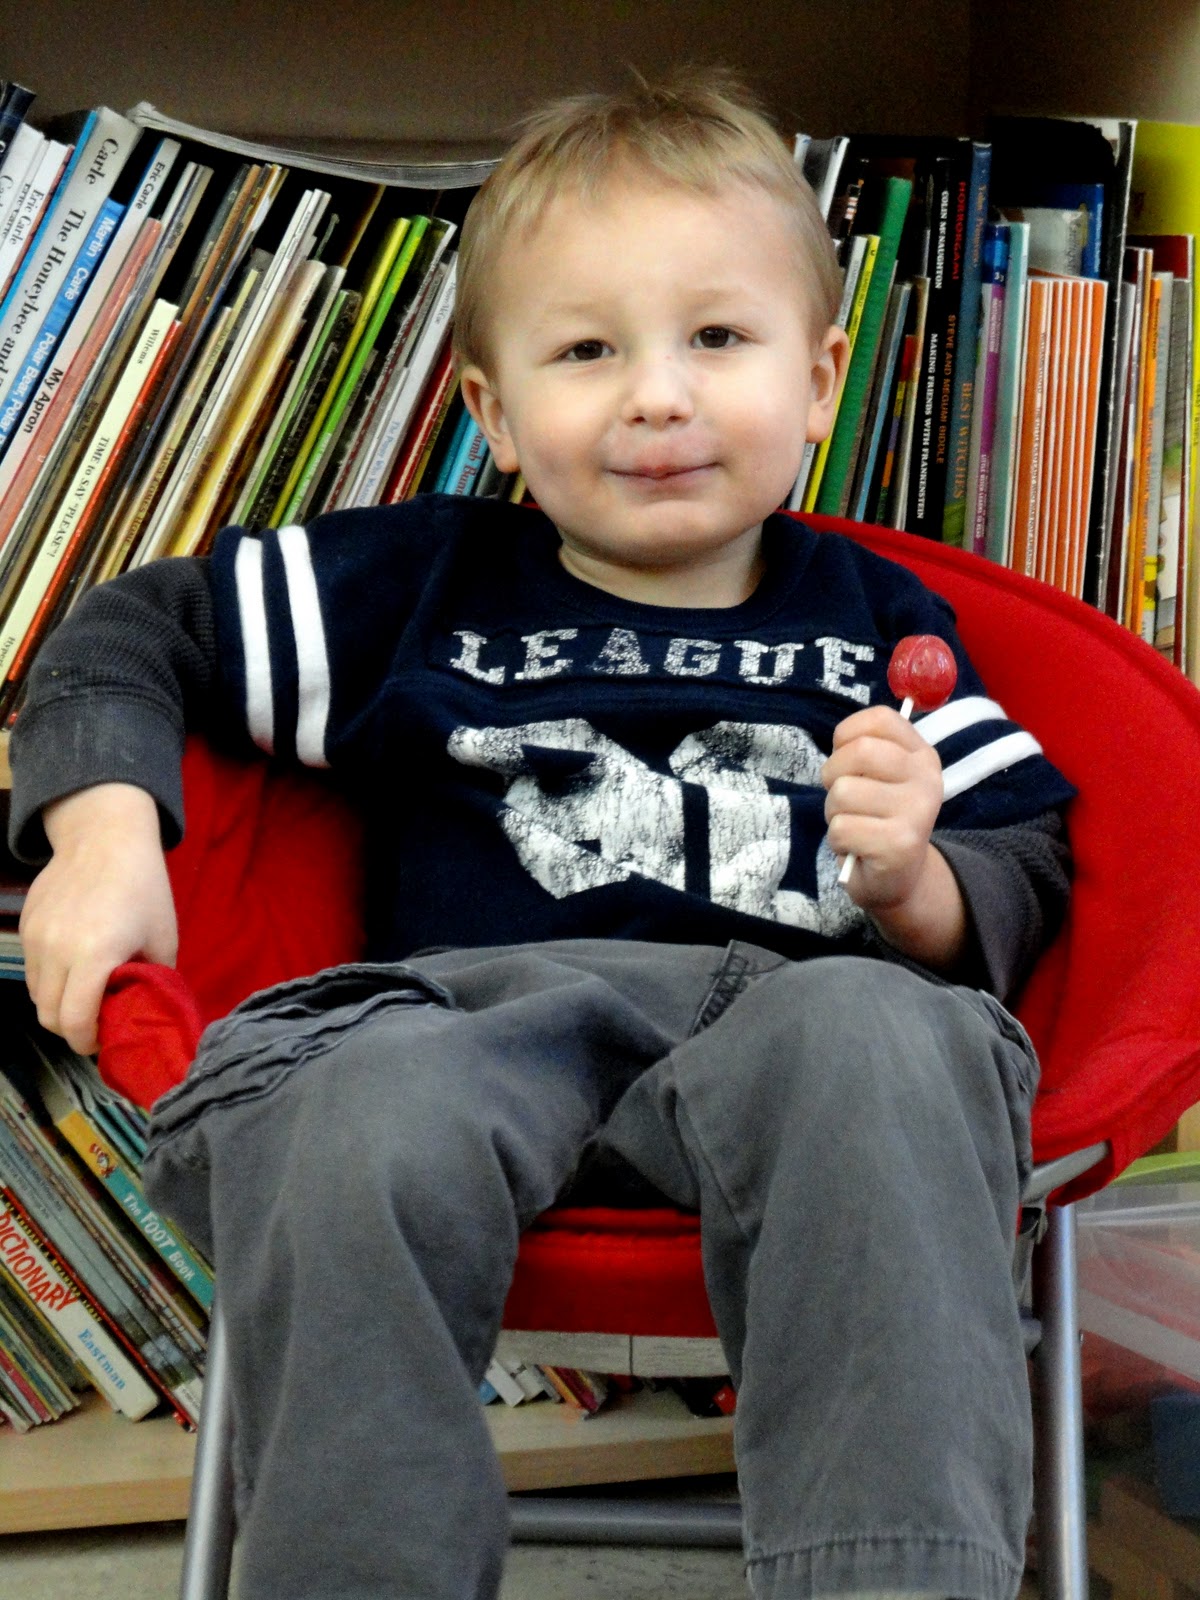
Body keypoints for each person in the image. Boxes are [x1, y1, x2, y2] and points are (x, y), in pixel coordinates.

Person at [10, 69, 1074, 1600]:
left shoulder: (874, 623)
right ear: (494, 413)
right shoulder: (421, 589)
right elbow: (131, 633)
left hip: (796, 1019)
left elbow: (1026, 859)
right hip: (470, 1021)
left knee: (893, 1040)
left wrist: (915, 880)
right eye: (587, 351)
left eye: (718, 338)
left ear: (822, 379)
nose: (658, 395)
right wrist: (103, 837)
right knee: (347, 1104)